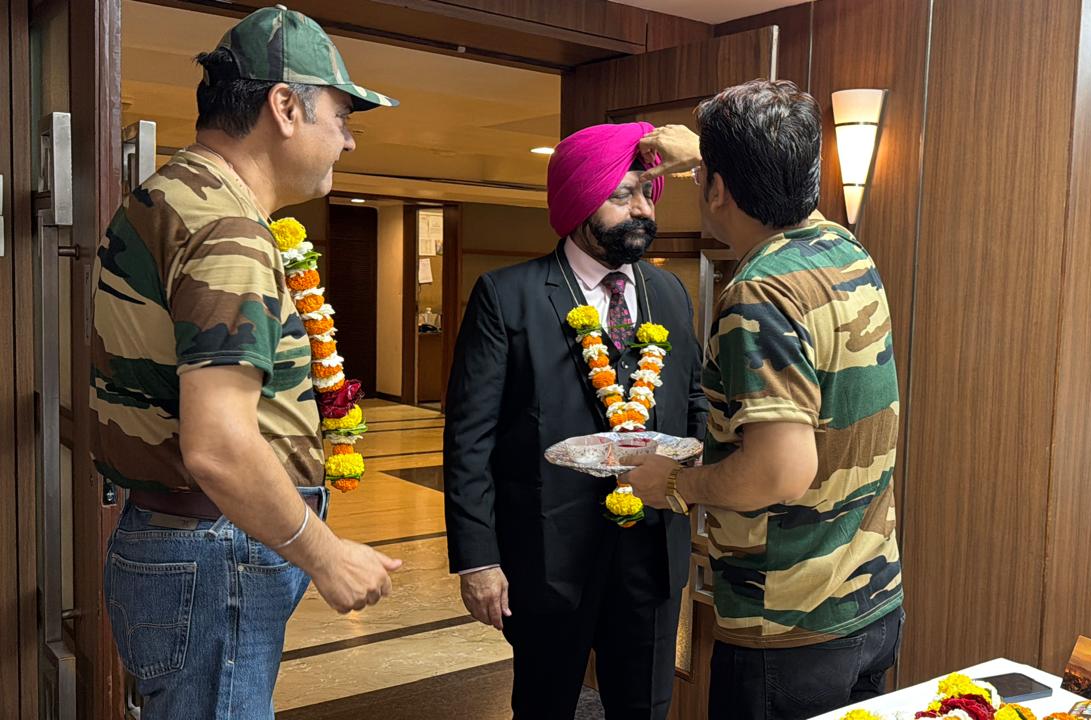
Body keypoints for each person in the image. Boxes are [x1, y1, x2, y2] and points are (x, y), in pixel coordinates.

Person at [90, 7, 401, 717]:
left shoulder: (171, 195)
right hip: (215, 551)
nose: (348, 140)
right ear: (285, 107)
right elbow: (220, 446)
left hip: (190, 544)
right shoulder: (226, 227)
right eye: (342, 116)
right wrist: (325, 554)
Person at [622, 80, 904, 720]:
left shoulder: (760, 293)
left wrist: (674, 484)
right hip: (871, 603)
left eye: (706, 177)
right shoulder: (842, 248)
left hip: (788, 625)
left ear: (719, 189)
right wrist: (708, 158)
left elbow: (779, 471)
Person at [443, 122, 708, 719]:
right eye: (622, 195)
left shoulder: (669, 292)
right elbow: (469, 438)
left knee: (645, 707)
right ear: (579, 200)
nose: (642, 211)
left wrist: (690, 484)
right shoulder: (507, 295)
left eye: (647, 194)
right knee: (544, 706)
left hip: (652, 552)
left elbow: (692, 402)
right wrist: (478, 559)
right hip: (546, 554)